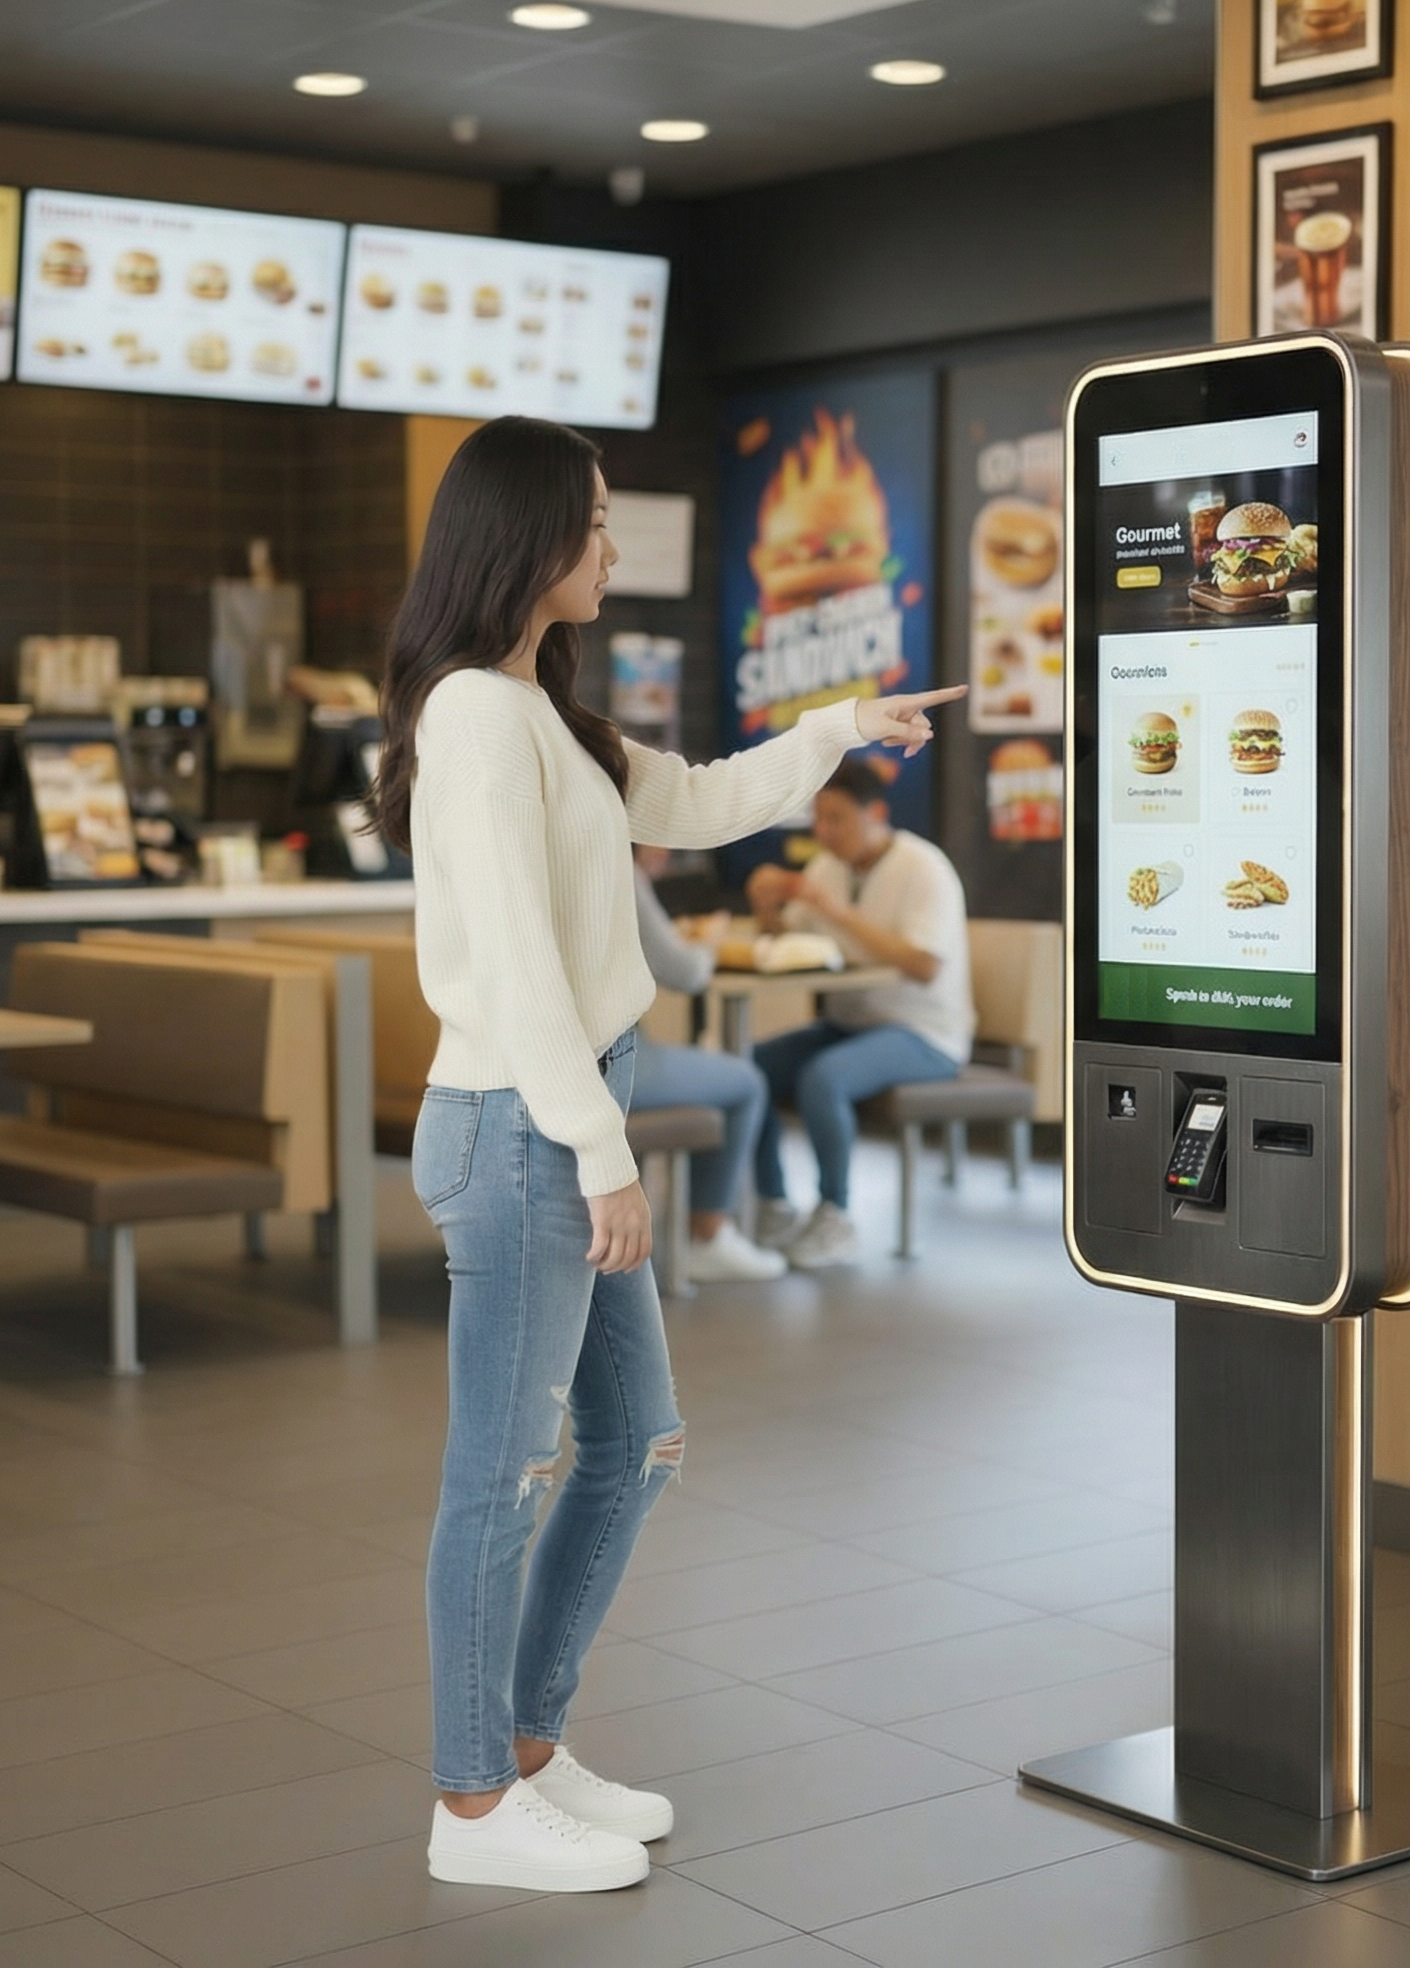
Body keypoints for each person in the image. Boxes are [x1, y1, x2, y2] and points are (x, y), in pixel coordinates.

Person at [372, 415, 962, 1895]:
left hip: (557, 1114)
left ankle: (524, 1743)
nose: (611, 546)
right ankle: (470, 1805)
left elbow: (697, 796)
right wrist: (600, 1151)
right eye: (591, 521)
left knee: (633, 1443)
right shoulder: (475, 715)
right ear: (525, 536)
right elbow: (517, 961)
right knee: (500, 1477)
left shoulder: (539, 710)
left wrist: (839, 725)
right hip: (521, 1125)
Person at [744, 757, 973, 1267]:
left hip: (925, 1034)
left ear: (876, 814)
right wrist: (765, 907)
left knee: (823, 1078)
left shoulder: (925, 867)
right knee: (749, 1067)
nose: (824, 832)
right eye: (818, 819)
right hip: (848, 1025)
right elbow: (791, 944)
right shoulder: (827, 867)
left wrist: (839, 913)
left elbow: (924, 965)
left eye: (837, 819)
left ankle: (836, 1216)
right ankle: (774, 1204)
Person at [629, 846, 787, 1284]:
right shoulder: (623, 874)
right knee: (747, 1081)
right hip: (615, 1063)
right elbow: (686, 973)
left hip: (554, 1061)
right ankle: (708, 1236)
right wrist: (711, 944)